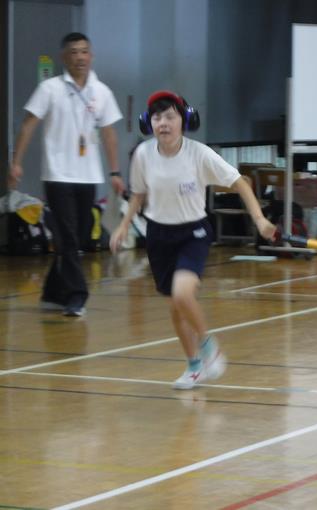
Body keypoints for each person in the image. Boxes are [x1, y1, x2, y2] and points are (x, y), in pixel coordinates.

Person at [109, 90, 276, 390]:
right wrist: (123, 226)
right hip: (158, 234)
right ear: (149, 123)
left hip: (193, 233)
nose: (164, 123)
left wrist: (260, 219)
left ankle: (209, 346)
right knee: (176, 306)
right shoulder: (143, 155)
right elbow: (138, 194)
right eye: (157, 117)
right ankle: (194, 367)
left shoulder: (200, 154)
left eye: (170, 116)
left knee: (183, 294)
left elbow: (240, 182)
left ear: (184, 120)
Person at [8, 32, 125, 316]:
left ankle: (52, 293)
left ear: (91, 56)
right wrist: (17, 162)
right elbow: (28, 125)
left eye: (84, 51)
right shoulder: (50, 88)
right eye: (73, 52)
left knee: (80, 236)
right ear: (64, 57)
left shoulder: (102, 92)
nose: (80, 57)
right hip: (58, 175)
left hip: (88, 175)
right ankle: (77, 296)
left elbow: (109, 133)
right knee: (69, 238)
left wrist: (114, 171)